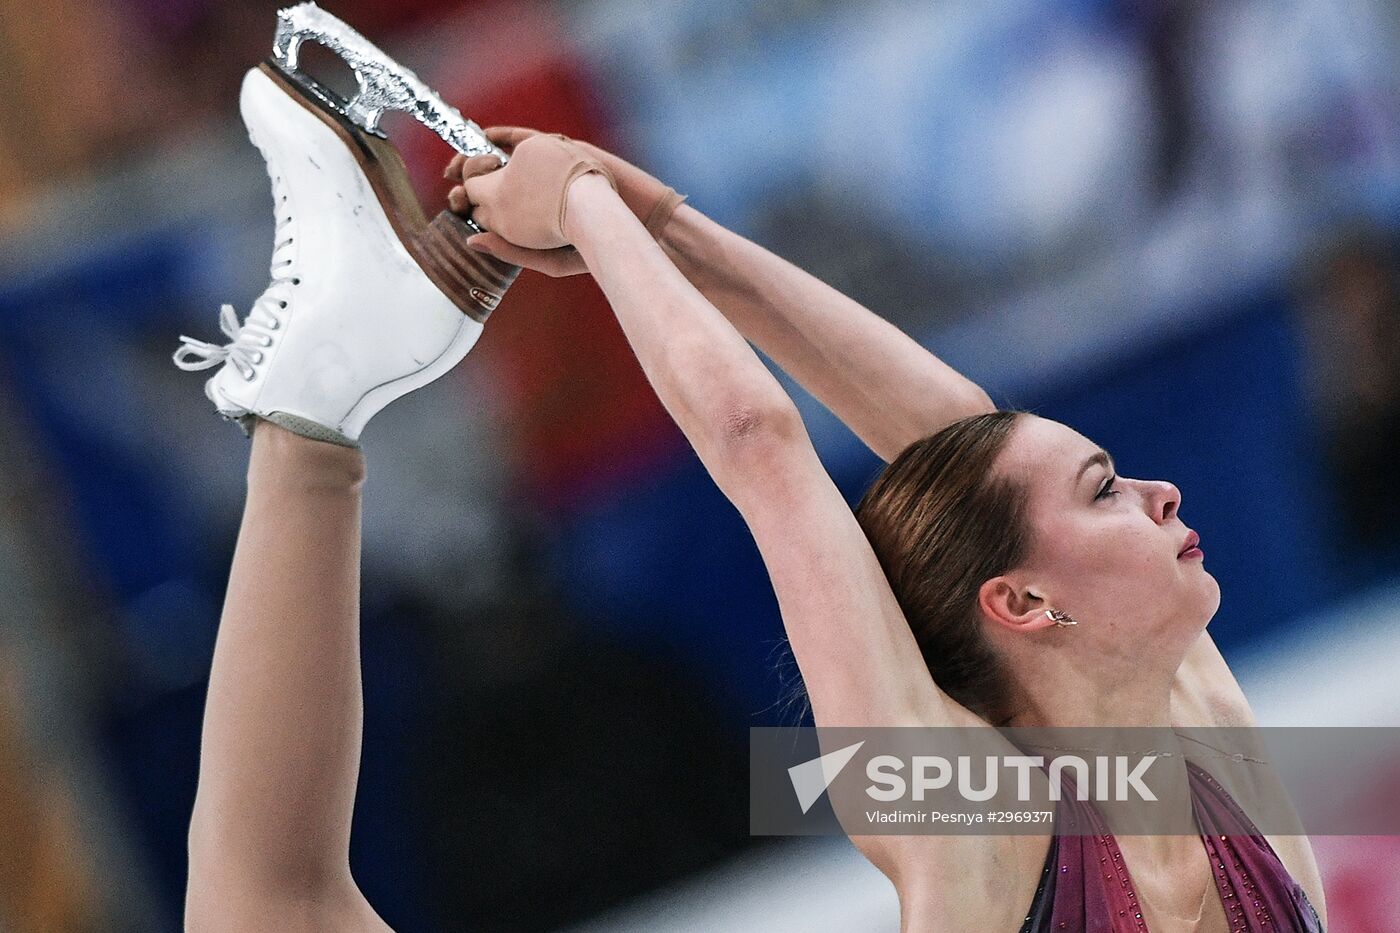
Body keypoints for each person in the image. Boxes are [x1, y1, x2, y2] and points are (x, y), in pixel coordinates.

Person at [447, 131, 1328, 931]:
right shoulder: (973, 828)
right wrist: (580, 205)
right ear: (1022, 599)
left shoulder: (1197, 718)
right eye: (1105, 491)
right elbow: (760, 445)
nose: (1162, 491)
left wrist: (666, 230)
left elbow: (956, 435)